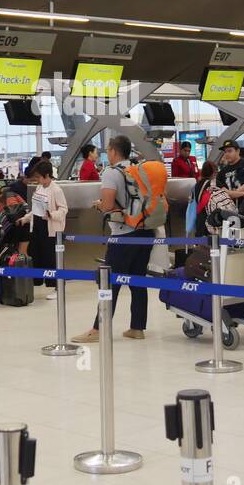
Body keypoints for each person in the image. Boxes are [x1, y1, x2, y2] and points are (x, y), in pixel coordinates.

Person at [74, 135, 154, 342]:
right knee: (138, 280)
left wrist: (98, 204)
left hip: (123, 234)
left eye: (108, 149)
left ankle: (98, 329)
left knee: (109, 282)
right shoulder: (138, 168)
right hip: (145, 230)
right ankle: (137, 327)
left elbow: (108, 205)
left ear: (113, 151)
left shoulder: (111, 172)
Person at [18, 160, 68, 295]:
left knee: (51, 258)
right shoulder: (39, 188)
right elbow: (36, 209)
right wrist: (25, 218)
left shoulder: (56, 190)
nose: (37, 180)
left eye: (39, 177)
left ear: (47, 175)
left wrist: (51, 215)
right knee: (37, 254)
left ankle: (56, 287)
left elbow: (64, 210)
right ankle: (38, 281)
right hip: (37, 226)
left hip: (50, 228)